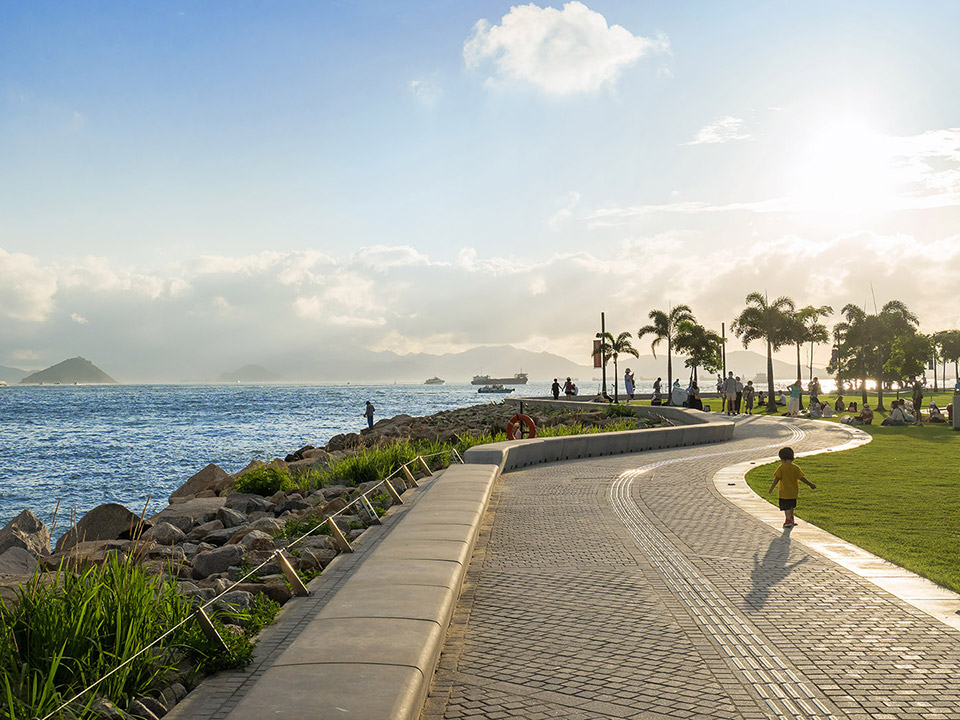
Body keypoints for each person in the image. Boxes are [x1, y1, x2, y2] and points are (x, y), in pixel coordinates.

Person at [768, 446, 816, 528]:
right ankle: (791, 519)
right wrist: (810, 484)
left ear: (781, 459)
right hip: (793, 492)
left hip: (784, 492)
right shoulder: (796, 468)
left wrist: (772, 488)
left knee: (786, 507)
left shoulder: (781, 468)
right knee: (791, 506)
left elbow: (777, 479)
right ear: (792, 458)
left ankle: (787, 520)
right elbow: (802, 478)